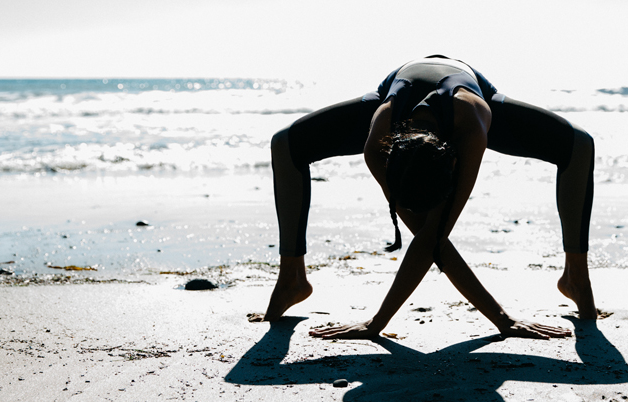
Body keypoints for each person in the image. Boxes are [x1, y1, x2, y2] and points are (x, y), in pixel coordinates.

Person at [255, 56, 596, 339]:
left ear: (452, 161)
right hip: (393, 95)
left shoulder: (470, 126)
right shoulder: (377, 145)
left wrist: (503, 322)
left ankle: (576, 278)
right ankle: (292, 278)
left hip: (470, 91)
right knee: (285, 143)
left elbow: (434, 239)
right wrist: (375, 324)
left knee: (579, 145)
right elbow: (427, 241)